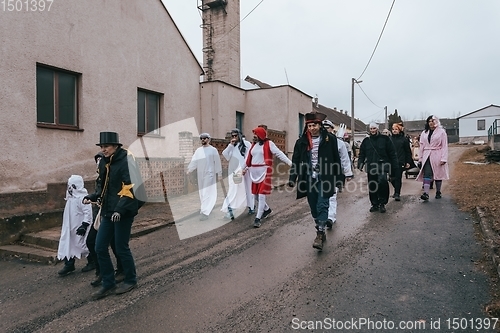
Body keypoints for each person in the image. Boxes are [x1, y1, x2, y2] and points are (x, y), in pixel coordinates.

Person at [83, 131, 146, 300]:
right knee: (99, 246)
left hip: (124, 211)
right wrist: (93, 196)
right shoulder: (104, 162)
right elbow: (102, 186)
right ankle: (108, 282)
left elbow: (130, 187)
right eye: (102, 147)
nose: (103, 149)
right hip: (108, 210)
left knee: (121, 247)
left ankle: (130, 279)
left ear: (116, 146)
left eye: (106, 146)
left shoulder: (126, 161)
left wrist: (120, 209)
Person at [288, 112, 343, 251]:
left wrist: (339, 178)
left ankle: (319, 234)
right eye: (310, 125)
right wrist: (292, 178)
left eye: (315, 125)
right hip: (308, 178)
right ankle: (321, 228)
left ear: (320, 125)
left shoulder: (330, 139)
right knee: (313, 208)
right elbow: (295, 161)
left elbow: (336, 159)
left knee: (322, 205)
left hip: (325, 178)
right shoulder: (301, 142)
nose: (312, 128)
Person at [85, 152, 124, 287]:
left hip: (111, 213)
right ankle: (100, 271)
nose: (98, 163)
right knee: (92, 242)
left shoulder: (113, 175)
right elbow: (99, 193)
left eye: (101, 160)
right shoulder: (100, 178)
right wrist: (91, 197)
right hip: (99, 214)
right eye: (97, 160)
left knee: (115, 244)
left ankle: (122, 270)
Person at [243, 126, 291, 228]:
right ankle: (267, 209)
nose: (254, 136)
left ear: (260, 135)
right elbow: (248, 159)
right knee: (255, 195)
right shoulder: (253, 145)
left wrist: (290, 163)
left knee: (261, 195)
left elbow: (279, 153)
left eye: (256, 134)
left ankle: (257, 218)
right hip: (254, 173)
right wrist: (243, 169)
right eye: (254, 134)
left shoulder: (269, 144)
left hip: (264, 172)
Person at [357, 123, 398, 213]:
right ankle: (374, 204)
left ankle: (382, 203)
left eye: (374, 128)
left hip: (382, 165)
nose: (372, 130)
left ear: (377, 129)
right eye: (371, 128)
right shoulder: (366, 141)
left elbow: (392, 153)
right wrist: (360, 163)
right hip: (371, 166)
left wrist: (394, 165)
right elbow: (362, 154)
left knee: (382, 182)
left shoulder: (385, 139)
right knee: (372, 185)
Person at [57, 175, 93, 276]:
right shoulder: (70, 199)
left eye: (72, 186)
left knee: (83, 244)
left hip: (80, 227)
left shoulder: (83, 198)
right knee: (67, 244)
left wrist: (84, 225)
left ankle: (92, 261)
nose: (69, 188)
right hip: (69, 227)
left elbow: (88, 213)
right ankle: (69, 264)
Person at [322, 119, 353, 227]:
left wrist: (348, 173)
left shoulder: (339, 143)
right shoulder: (317, 141)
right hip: (321, 172)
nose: (325, 130)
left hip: (335, 172)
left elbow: (345, 158)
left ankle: (330, 217)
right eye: (324, 128)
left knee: (332, 195)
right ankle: (323, 216)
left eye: (328, 128)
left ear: (332, 130)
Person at [186, 133, 222, 221]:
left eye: (205, 138)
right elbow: (194, 160)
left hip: (209, 174)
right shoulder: (198, 151)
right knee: (202, 192)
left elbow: (217, 162)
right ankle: (206, 207)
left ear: (208, 139)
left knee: (206, 191)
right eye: (201, 138)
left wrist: (219, 173)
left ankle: (205, 212)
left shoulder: (213, 150)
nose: (203, 140)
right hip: (200, 174)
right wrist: (190, 169)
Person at [221, 129, 254, 219]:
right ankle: (230, 209)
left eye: (236, 136)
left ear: (239, 135)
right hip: (235, 172)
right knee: (233, 190)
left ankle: (251, 207)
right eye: (233, 136)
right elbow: (225, 155)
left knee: (248, 189)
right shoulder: (232, 146)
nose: (234, 138)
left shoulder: (247, 144)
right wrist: (230, 145)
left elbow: (249, 157)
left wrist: (245, 168)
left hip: (245, 171)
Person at [416, 115, 449, 200]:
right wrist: (420, 158)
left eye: (433, 121)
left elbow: (444, 145)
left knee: (438, 174)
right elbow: (422, 146)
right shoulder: (424, 133)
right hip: (427, 154)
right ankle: (426, 193)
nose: (431, 123)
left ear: (437, 121)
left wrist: (443, 158)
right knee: (427, 174)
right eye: (429, 121)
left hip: (437, 154)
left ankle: (438, 191)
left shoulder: (441, 132)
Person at [389, 123, 414, 201]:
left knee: (398, 177)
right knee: (391, 178)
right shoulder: (389, 139)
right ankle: (396, 189)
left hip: (400, 161)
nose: (394, 131)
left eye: (396, 129)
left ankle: (397, 193)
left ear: (399, 130)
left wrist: (408, 162)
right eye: (393, 129)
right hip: (390, 162)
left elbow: (407, 151)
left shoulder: (404, 140)